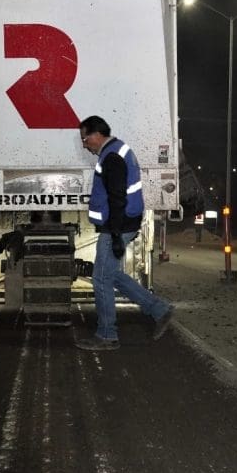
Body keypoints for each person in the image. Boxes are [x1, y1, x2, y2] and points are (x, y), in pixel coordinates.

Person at [76, 116, 175, 351]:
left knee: (101, 278)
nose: (83, 143)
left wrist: (116, 235)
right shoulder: (118, 150)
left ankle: (107, 335)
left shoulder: (111, 157)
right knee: (109, 274)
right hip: (121, 224)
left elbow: (117, 198)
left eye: (84, 138)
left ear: (97, 134)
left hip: (116, 226)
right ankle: (158, 310)